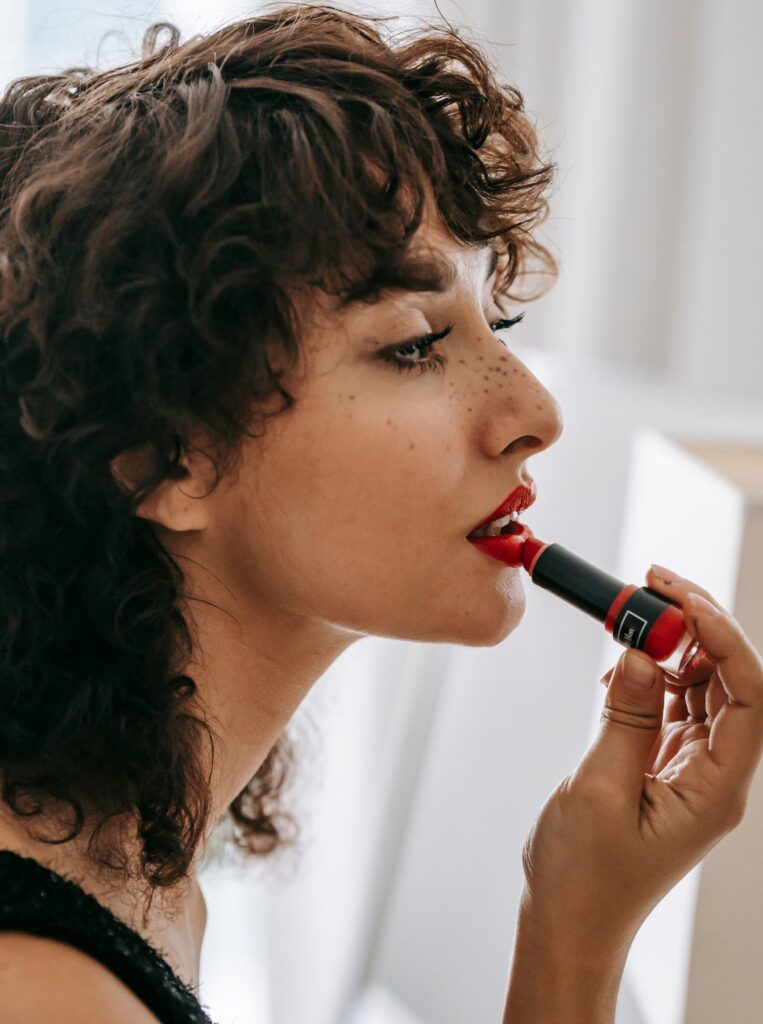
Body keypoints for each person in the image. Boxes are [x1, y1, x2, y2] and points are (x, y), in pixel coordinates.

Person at [0, 5, 760, 1022]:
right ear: (163, 458)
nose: (534, 413)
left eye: (495, 318)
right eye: (412, 343)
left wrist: (571, 918)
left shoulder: (121, 863)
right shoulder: (48, 988)